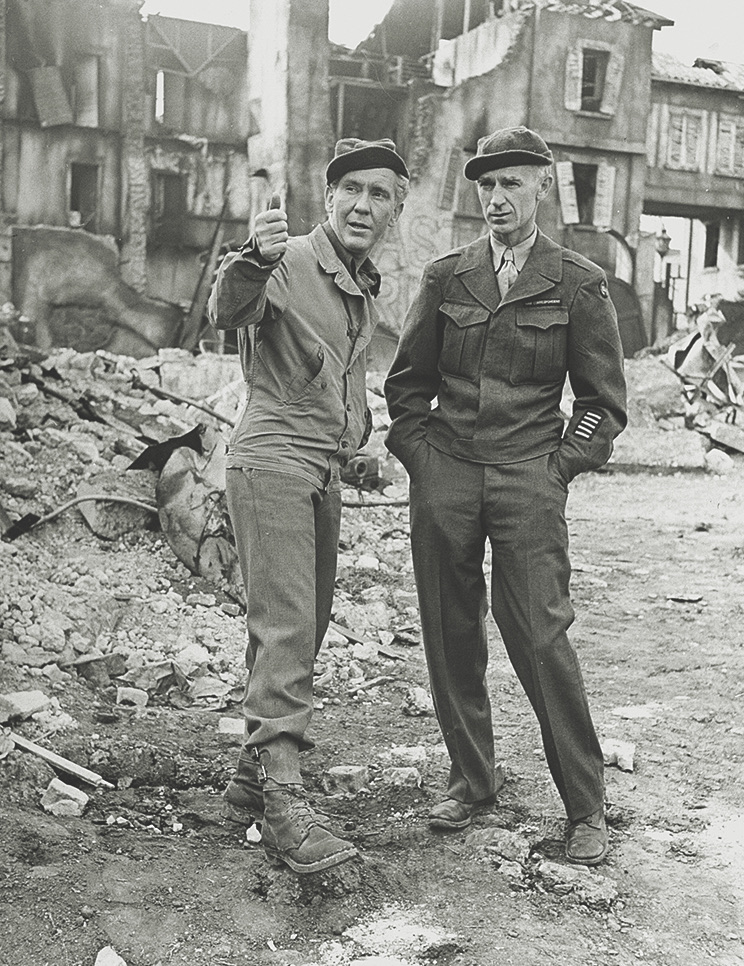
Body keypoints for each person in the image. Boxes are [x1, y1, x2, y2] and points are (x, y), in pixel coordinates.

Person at [384, 127, 627, 866]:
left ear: (543, 187)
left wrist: (561, 467)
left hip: (528, 476)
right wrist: (423, 460)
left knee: (540, 636)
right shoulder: (447, 275)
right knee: (450, 632)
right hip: (448, 470)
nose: (496, 199)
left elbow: (602, 400)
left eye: (512, 184)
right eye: (486, 186)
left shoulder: (578, 281)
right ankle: (471, 779)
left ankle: (586, 807)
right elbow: (406, 386)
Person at [208, 138, 408, 873]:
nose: (363, 205)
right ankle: (286, 805)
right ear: (328, 199)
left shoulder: (358, 281)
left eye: (379, 194)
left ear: (395, 208)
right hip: (271, 465)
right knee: (289, 623)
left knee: (298, 623)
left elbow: (332, 386)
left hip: (319, 471)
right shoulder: (286, 259)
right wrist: (252, 257)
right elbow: (227, 310)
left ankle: (247, 783)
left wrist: (356, 451)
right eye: (350, 190)